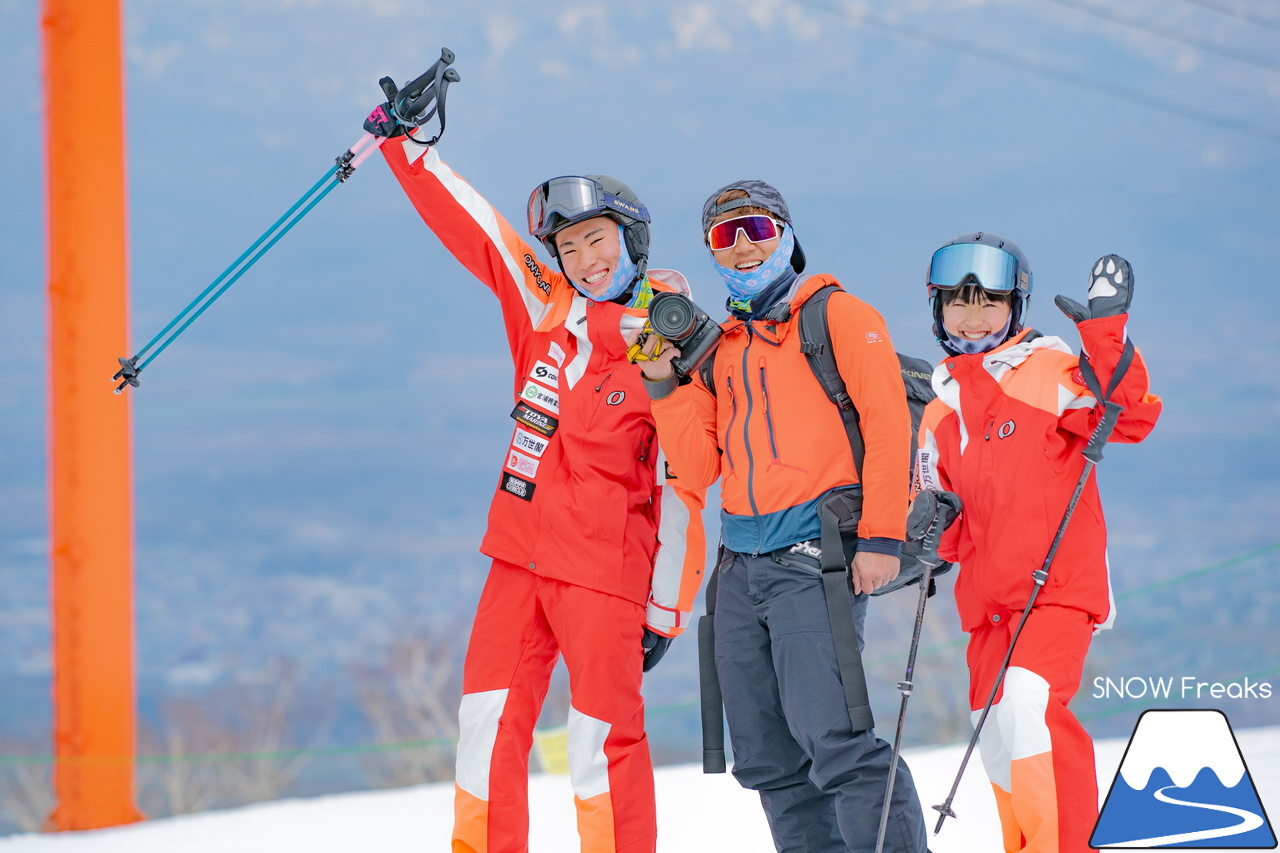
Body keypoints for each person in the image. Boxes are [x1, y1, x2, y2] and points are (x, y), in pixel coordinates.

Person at [366, 102, 707, 853]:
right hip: (516, 559)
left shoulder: (671, 343)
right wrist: (406, 146)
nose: (586, 259)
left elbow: (688, 483)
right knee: (485, 726)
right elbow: (481, 229)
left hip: (601, 574)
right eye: (572, 246)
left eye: (599, 241)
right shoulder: (545, 310)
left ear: (633, 241)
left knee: (598, 744)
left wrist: (664, 608)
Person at [635, 180, 930, 853]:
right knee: (770, 757)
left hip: (815, 559)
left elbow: (889, 428)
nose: (741, 247)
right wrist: (663, 382)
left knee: (839, 743)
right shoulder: (724, 349)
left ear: (787, 236)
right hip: (740, 568)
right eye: (724, 236)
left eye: (757, 231)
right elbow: (698, 466)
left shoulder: (841, 316)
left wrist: (881, 536)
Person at [915, 233, 1162, 853]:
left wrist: (1105, 334)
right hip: (988, 608)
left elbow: (1126, 415)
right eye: (959, 305)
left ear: (1014, 309)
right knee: (997, 737)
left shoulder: (1049, 371)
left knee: (1031, 710)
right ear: (938, 312)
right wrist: (931, 521)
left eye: (989, 304)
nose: (973, 318)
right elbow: (944, 532)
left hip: (1056, 591)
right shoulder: (939, 411)